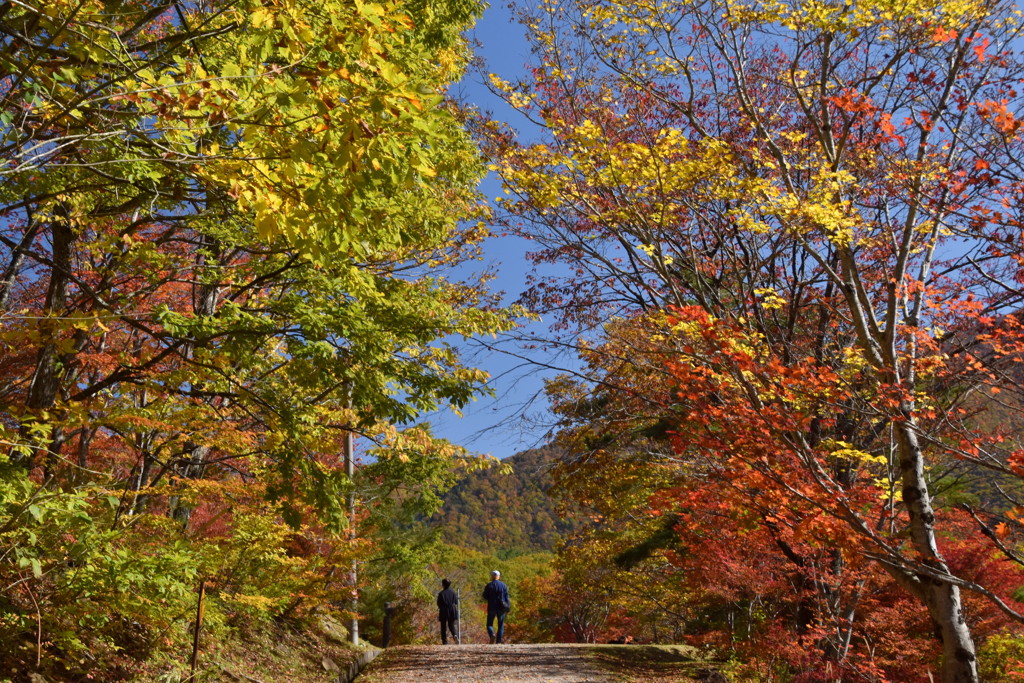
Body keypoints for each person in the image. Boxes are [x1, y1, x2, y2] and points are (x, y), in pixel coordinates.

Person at [482, 569, 509, 644]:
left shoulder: (489, 585)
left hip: (492, 607)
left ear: (492, 576)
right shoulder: (503, 585)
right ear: (498, 577)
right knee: (501, 625)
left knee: (489, 624)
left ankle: (492, 635)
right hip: (501, 607)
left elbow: (484, 596)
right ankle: (498, 641)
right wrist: (508, 607)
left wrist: (490, 598)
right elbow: (507, 597)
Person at [437, 578, 459, 644]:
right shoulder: (452, 592)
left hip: (444, 610)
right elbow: (456, 602)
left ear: (443, 584)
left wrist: (441, 607)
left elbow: (439, 603)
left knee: (443, 626)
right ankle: (454, 635)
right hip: (452, 609)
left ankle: (444, 641)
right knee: (451, 624)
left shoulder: (441, 593)